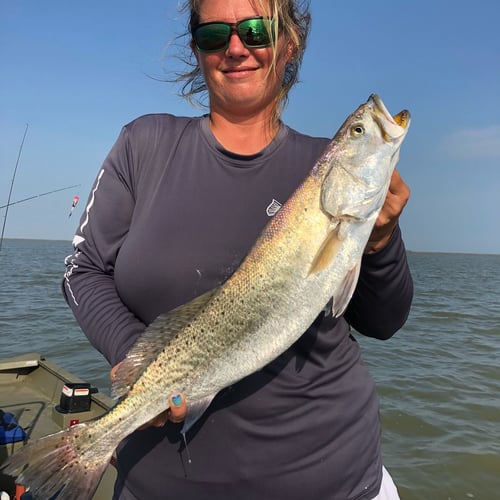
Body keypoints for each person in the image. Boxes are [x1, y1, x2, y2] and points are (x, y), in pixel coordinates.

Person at [63, 0, 413, 498]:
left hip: (336, 479)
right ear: (196, 49)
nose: (235, 49)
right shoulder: (143, 145)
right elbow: (84, 270)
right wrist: (136, 358)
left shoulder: (321, 169)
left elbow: (385, 321)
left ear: (289, 45)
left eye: (256, 31)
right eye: (214, 35)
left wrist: (379, 239)